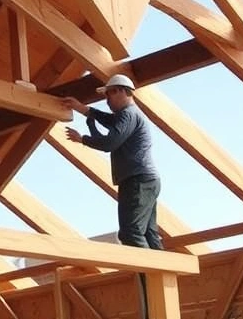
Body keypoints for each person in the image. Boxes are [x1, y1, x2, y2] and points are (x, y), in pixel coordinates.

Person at [62, 73, 161, 319]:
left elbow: (110, 142)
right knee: (148, 233)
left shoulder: (128, 114)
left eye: (109, 94)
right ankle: (160, 280)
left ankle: (152, 279)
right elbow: (109, 123)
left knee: (131, 233)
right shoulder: (128, 116)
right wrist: (85, 110)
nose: (106, 99)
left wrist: (83, 138)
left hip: (137, 181)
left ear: (121, 91)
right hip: (142, 179)